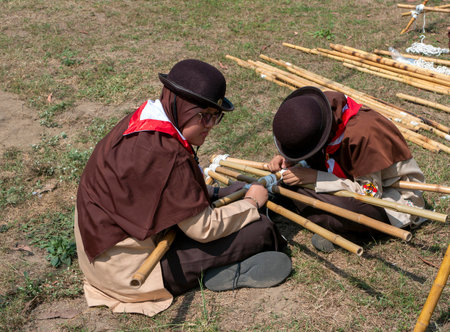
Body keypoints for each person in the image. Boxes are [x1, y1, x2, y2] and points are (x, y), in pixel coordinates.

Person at [74, 59, 291, 317]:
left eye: (216, 117)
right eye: (204, 117)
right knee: (260, 231)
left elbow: (160, 190)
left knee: (235, 193)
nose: (210, 126)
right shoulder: (166, 154)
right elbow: (204, 229)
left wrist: (232, 196)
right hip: (130, 272)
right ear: (183, 107)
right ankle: (224, 270)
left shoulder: (144, 119)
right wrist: (252, 204)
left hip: (98, 258)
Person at [268, 86, 425, 253]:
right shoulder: (322, 113)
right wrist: (290, 158)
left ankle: (346, 230)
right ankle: (294, 196)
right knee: (289, 181)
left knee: (344, 212)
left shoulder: (363, 134)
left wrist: (315, 178)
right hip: (351, 180)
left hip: (390, 197)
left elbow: (370, 192)